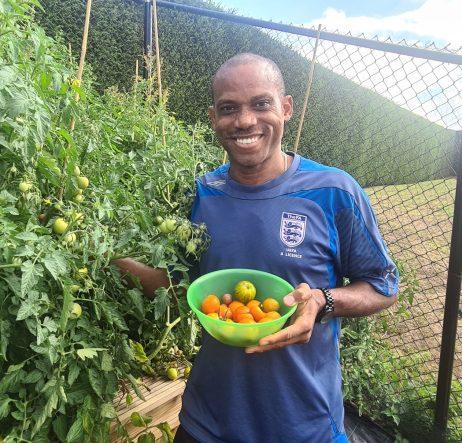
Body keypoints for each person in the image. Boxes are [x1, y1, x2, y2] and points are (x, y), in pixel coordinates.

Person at [112, 53, 399, 442]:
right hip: (207, 422)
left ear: (285, 108)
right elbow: (178, 286)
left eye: (261, 104)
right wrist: (109, 261)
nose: (245, 121)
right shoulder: (201, 194)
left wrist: (321, 301)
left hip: (304, 426)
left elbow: (383, 285)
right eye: (229, 109)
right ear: (213, 117)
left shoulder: (333, 192)